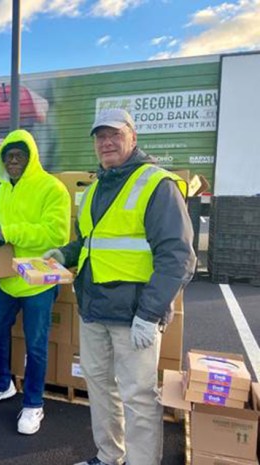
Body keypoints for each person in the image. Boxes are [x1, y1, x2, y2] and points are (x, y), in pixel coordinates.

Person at [44, 109, 196, 465]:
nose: (106, 142)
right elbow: (91, 242)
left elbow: (177, 256)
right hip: (94, 310)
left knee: (139, 398)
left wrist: (150, 313)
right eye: (100, 136)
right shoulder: (96, 187)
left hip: (134, 316)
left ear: (133, 136)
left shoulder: (157, 184)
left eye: (114, 134)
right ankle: (109, 456)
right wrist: (63, 253)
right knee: (100, 389)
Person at [0, 129, 71, 435]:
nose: (13, 161)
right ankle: (2, 385)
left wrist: (9, 232)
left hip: (39, 280)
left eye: (19, 156)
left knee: (36, 345)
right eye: (8, 156)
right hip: (8, 279)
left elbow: (56, 235)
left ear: (31, 158)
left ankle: (33, 404)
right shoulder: (2, 190)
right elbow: (1, 224)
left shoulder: (52, 188)